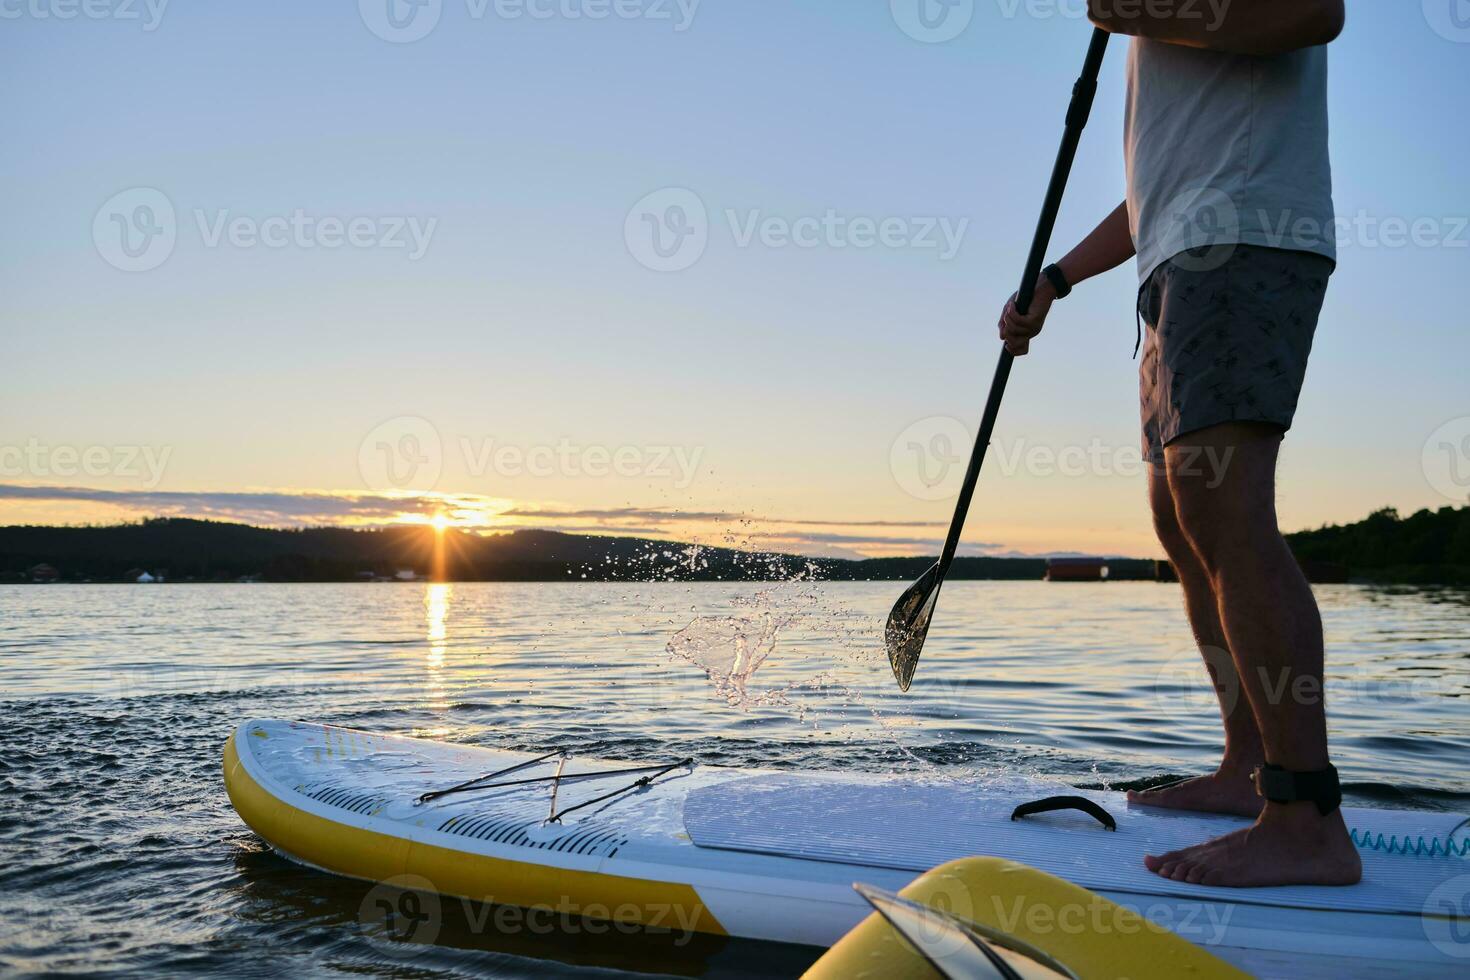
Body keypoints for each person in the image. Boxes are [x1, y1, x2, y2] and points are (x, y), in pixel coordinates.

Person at [998, 1, 1360, 887]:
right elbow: (1152, 187)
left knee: (1229, 517)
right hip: (1178, 252)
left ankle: (1305, 815)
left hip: (1242, 235)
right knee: (1182, 523)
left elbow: (1311, 15)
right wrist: (1057, 280)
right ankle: (1247, 769)